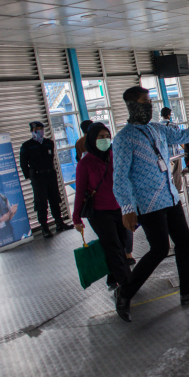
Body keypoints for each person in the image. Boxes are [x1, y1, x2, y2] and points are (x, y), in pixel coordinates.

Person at [112, 86, 189, 323]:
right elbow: (119, 177)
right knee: (159, 249)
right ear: (132, 106)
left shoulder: (158, 129)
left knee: (183, 241)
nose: (149, 106)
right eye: (144, 102)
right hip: (147, 203)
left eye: (150, 102)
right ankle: (125, 293)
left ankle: (188, 290)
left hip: (170, 197)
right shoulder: (123, 139)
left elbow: (183, 136)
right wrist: (127, 209)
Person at [72, 123, 130, 291]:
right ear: (91, 139)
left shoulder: (114, 155)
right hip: (99, 213)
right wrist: (76, 218)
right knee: (113, 247)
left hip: (119, 209)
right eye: (100, 137)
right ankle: (127, 284)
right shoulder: (85, 164)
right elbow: (80, 192)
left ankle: (113, 278)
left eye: (107, 136)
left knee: (122, 243)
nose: (105, 140)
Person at [20, 121, 72, 238]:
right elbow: (23, 164)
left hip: (50, 175)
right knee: (41, 203)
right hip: (38, 178)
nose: (39, 131)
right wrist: (31, 176)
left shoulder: (49, 143)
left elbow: (51, 159)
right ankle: (44, 227)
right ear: (32, 131)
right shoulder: (27, 146)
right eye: (36, 129)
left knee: (55, 199)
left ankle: (59, 222)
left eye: (41, 128)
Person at [160, 107, 184, 192]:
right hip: (175, 154)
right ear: (169, 115)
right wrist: (186, 148)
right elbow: (180, 139)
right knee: (176, 173)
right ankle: (177, 190)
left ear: (161, 115)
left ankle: (168, 190)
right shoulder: (173, 125)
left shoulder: (158, 127)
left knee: (166, 174)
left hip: (164, 155)